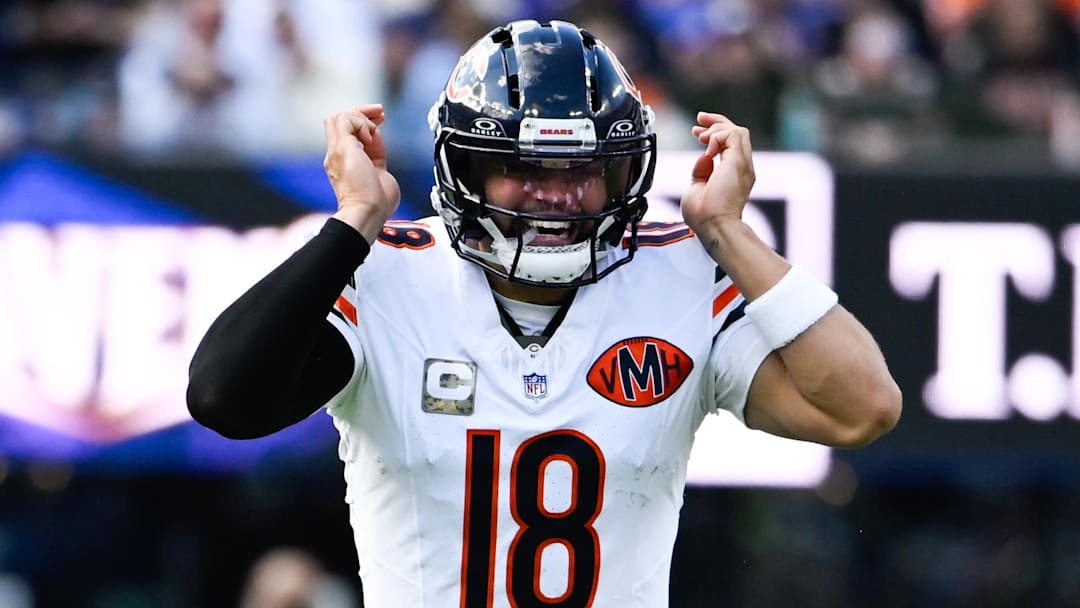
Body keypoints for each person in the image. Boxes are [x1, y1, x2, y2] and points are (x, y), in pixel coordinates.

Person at [187, 19, 901, 608]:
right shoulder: (388, 273)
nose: (555, 195)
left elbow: (860, 408)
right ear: (463, 167)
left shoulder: (680, 272)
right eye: (525, 169)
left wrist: (730, 234)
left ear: (626, 169)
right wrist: (352, 224)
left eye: (582, 170)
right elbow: (223, 398)